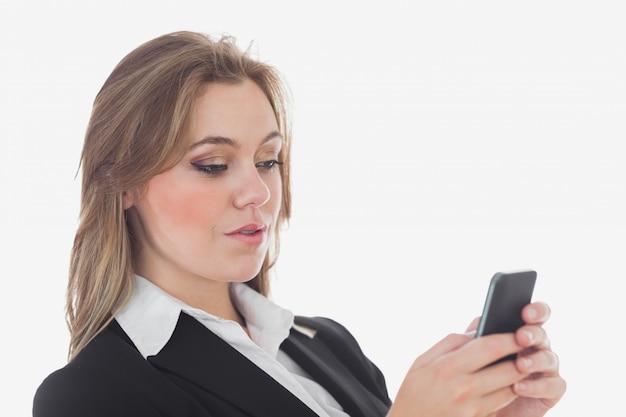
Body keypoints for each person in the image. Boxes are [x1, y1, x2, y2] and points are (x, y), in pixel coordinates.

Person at [33, 31, 566, 417]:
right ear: (123, 183)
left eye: (268, 160)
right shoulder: (91, 396)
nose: (259, 193)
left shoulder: (327, 344)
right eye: (213, 165)